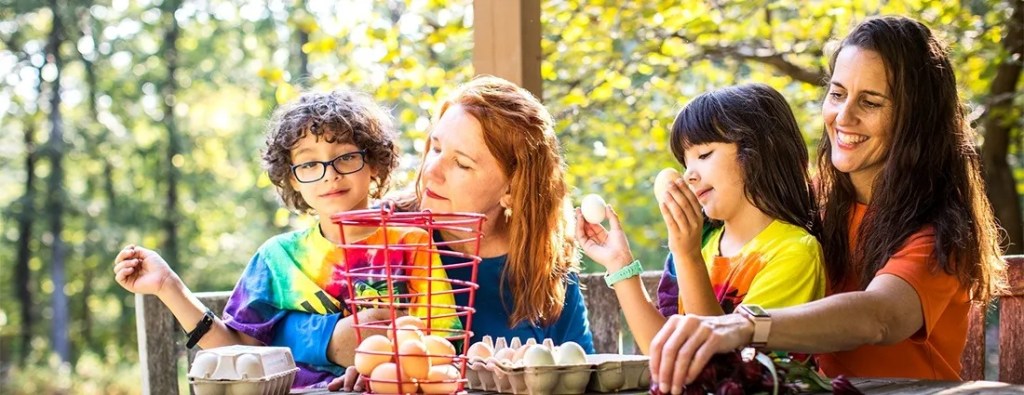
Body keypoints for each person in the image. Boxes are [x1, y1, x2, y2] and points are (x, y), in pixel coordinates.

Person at [646, 16, 1007, 394]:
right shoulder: (813, 202)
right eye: (836, 94)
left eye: (869, 101)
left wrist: (745, 325)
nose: (843, 117)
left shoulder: (939, 229)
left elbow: (880, 316)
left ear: (915, 118)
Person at [113, 89, 461, 389]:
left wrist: (381, 366)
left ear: (374, 164)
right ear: (291, 179)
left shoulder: (409, 245)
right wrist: (167, 285)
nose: (331, 175)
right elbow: (236, 351)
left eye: (346, 157)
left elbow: (444, 345)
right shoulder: (278, 259)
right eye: (309, 164)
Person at [329, 75, 596, 392]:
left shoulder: (545, 272)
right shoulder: (382, 235)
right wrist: (348, 355)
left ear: (512, 189)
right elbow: (277, 321)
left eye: (462, 164)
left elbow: (582, 378)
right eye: (436, 148)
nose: (432, 170)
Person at [576, 83, 826, 354]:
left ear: (759, 152)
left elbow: (724, 367)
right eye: (685, 163)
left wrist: (687, 256)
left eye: (704, 155)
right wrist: (618, 263)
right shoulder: (704, 244)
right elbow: (664, 349)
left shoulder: (794, 253)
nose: (689, 176)